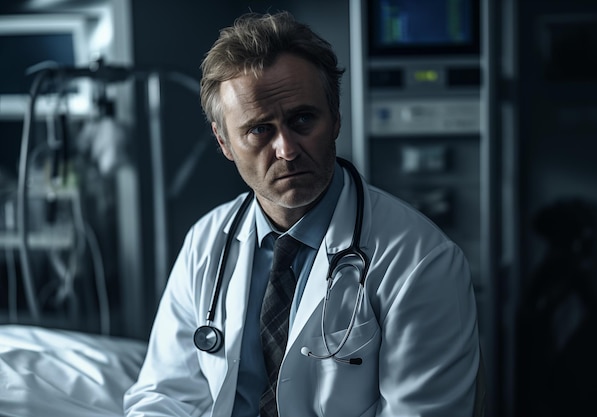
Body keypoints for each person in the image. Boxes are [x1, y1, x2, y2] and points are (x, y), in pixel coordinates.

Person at [124, 11, 483, 417]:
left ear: (335, 119)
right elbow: (164, 396)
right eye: (260, 129)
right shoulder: (206, 241)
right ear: (224, 142)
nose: (287, 150)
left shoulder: (419, 260)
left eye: (302, 120)